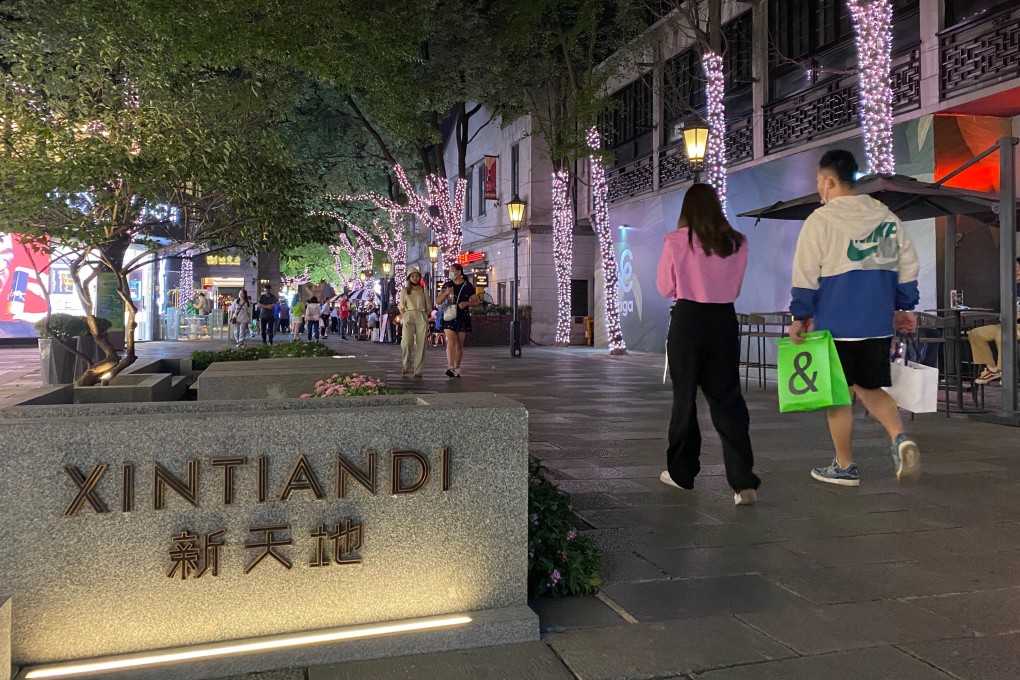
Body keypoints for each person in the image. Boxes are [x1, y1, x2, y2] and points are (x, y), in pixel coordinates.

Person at [789, 149, 921, 487]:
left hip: (836, 322)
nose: (819, 188)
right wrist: (905, 305)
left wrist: (800, 315)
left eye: (819, 181)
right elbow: (907, 265)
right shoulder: (885, 216)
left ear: (830, 181)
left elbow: (805, 271)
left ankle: (844, 465)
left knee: (838, 395)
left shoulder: (821, 219)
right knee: (869, 386)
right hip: (877, 322)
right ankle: (899, 438)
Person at [655, 184, 760, 506]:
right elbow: (737, 288)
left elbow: (664, 287)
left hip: (688, 320)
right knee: (728, 399)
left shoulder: (676, 240)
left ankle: (682, 473)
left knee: (684, 398)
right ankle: (743, 481)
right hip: (723, 321)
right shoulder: (737, 243)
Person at [970, 258, 1020, 385]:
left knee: (1003, 334)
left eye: (1018, 268)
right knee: (975, 333)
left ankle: (1004, 370)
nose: (1016, 270)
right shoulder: (1010, 287)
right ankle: (993, 369)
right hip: (1007, 324)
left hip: (1017, 325)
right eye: (1014, 268)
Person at [436, 262, 479, 377]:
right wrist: (446, 292)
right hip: (449, 315)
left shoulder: (467, 286)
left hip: (462, 316)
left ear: (459, 272)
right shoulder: (447, 285)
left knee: (459, 344)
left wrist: (466, 303)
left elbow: (476, 301)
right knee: (451, 340)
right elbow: (438, 301)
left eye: (452, 270)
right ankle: (450, 366)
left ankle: (457, 367)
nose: (451, 272)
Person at [399, 266, 429, 377]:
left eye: (417, 275)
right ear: (409, 277)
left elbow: (428, 304)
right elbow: (401, 306)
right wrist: (404, 317)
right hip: (409, 315)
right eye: (412, 276)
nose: (415, 278)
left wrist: (427, 315)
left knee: (421, 344)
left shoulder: (424, 289)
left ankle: (418, 370)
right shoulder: (404, 290)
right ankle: (406, 364)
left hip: (421, 315)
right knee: (406, 342)